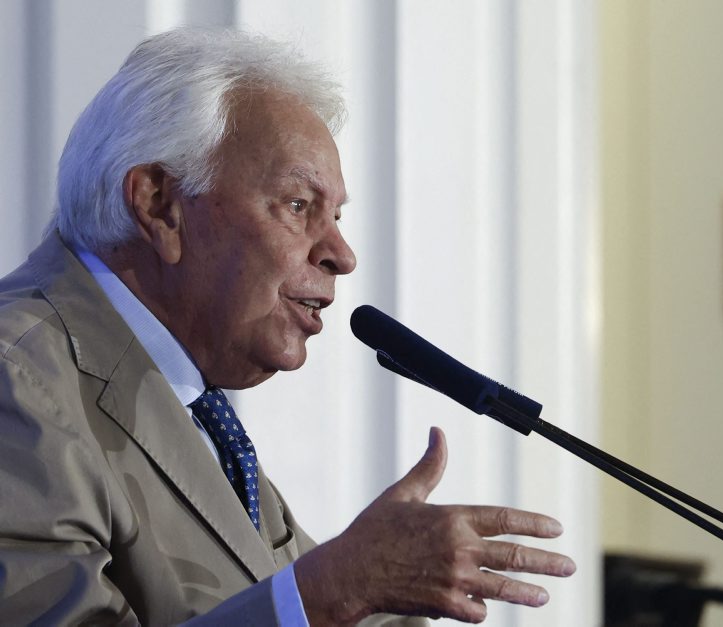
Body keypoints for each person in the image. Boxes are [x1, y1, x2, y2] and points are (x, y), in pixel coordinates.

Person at [0, 28, 575, 625]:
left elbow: (283, 600)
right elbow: (310, 600)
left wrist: (376, 584)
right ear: (159, 204)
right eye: (299, 205)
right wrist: (340, 585)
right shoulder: (16, 385)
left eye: (336, 216)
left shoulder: (195, 411)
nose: (342, 255)